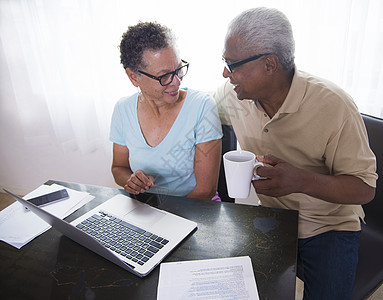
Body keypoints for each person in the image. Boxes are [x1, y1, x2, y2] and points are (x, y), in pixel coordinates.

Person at [214, 7, 377, 300]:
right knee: (226, 288)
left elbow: (364, 189)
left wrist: (301, 181)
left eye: (232, 63)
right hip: (272, 219)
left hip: (329, 225)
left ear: (269, 64)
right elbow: (200, 112)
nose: (226, 73)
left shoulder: (334, 106)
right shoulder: (231, 94)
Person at [110, 22, 222, 200]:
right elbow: (118, 168)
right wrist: (131, 180)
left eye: (178, 69)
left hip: (196, 209)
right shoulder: (123, 110)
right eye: (164, 76)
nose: (176, 82)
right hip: (147, 210)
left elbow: (205, 190)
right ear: (133, 77)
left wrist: (162, 220)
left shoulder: (201, 106)